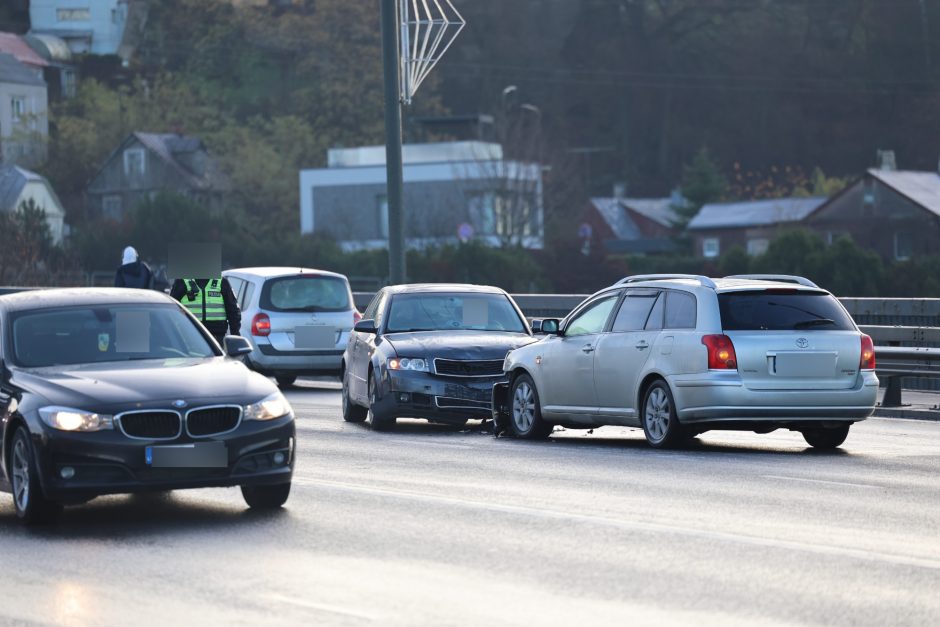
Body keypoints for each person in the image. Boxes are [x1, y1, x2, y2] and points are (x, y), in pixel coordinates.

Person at [170, 276, 241, 346]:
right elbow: (170, 310)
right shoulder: (182, 282)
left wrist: (235, 335)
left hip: (216, 337)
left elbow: (233, 311)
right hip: (188, 336)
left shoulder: (222, 282)